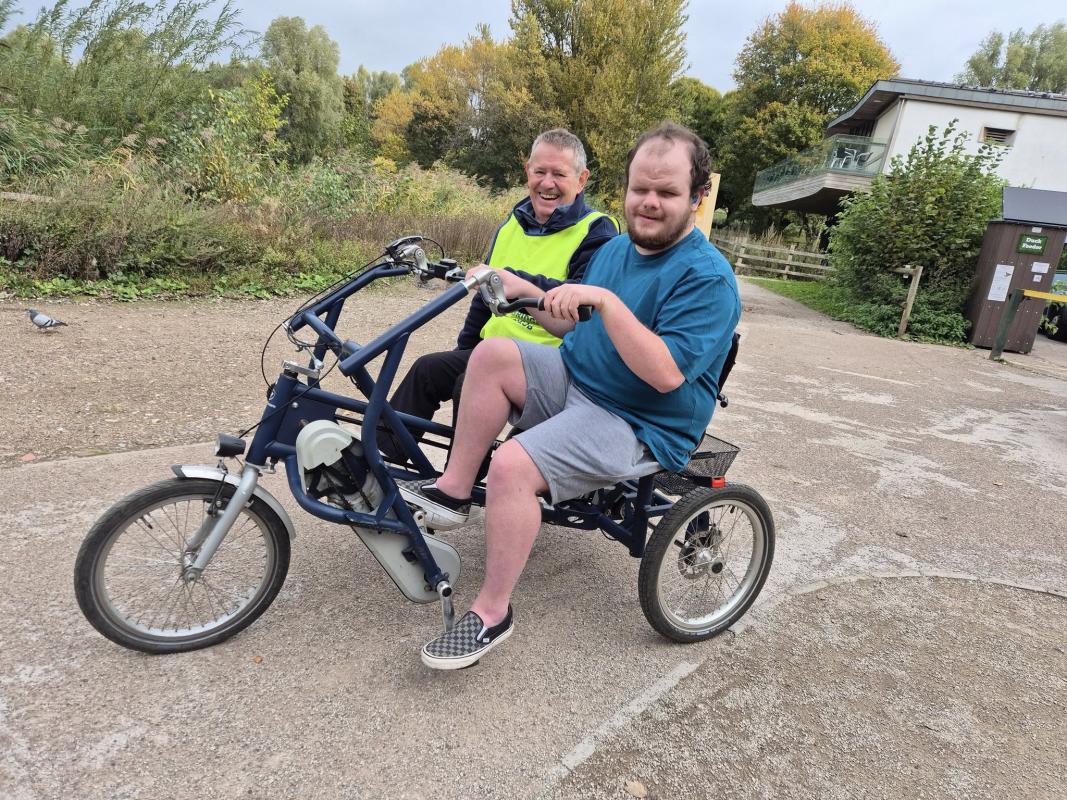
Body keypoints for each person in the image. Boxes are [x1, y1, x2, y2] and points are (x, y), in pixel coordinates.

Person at [400, 122, 742, 670]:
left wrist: (605, 302)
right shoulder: (616, 251)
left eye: (668, 192)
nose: (649, 203)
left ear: (698, 197)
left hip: (640, 419)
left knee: (512, 465)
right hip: (579, 380)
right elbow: (571, 328)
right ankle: (454, 490)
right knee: (489, 357)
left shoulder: (707, 278)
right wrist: (525, 292)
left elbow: (665, 375)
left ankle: (492, 612)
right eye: (640, 189)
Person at [381, 128, 618, 463]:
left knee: (470, 381)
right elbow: (484, 297)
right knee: (429, 369)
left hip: (550, 364)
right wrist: (465, 349)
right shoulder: (512, 224)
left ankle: (456, 486)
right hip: (492, 352)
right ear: (527, 171)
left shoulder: (598, 231)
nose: (547, 183)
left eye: (559, 174)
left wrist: (515, 280)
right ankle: (380, 463)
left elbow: (582, 306)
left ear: (581, 180)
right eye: (539, 172)